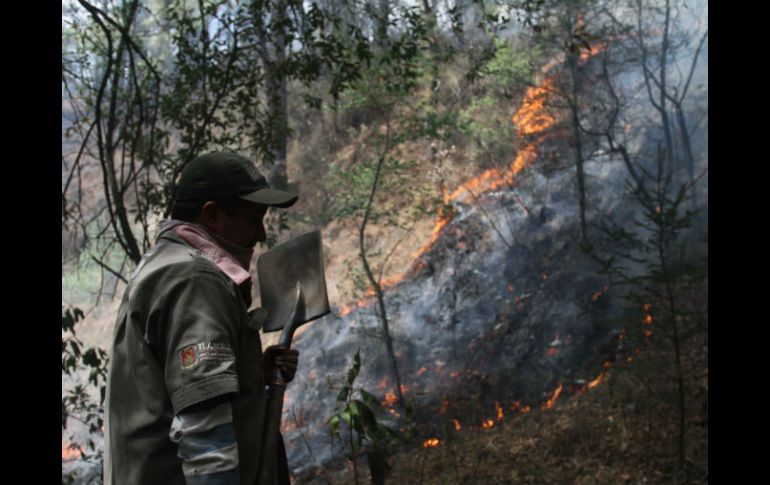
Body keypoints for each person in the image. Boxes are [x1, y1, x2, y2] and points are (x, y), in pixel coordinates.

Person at [103, 152, 300, 485]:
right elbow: (206, 436)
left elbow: (178, 383)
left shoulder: (164, 262)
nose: (261, 234)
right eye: (254, 220)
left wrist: (250, 374)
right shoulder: (195, 279)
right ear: (212, 214)